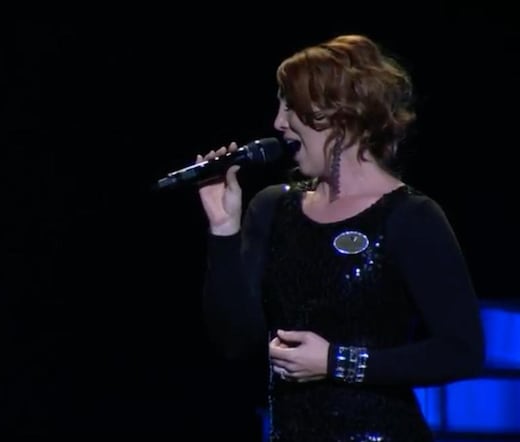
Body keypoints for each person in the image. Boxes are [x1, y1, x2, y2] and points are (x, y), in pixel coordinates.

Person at [198, 34, 485, 441]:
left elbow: (462, 351)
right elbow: (234, 343)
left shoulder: (411, 218)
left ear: (340, 113)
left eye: (289, 105)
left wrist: (338, 361)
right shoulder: (273, 209)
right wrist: (223, 228)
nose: (278, 123)